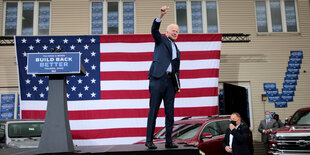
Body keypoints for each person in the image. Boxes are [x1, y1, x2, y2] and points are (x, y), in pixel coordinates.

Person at [145, 6, 181, 149]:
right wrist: (161, 15)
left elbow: (176, 70)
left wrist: (177, 85)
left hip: (170, 83)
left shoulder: (177, 50)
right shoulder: (160, 40)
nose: (176, 33)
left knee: (170, 113)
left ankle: (168, 141)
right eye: (173, 30)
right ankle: (149, 140)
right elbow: (154, 30)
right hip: (158, 79)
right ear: (167, 32)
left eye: (177, 31)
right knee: (153, 110)